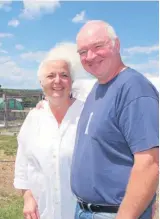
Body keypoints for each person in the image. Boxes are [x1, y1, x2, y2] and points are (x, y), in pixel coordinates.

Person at [71, 20, 159, 219]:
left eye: (98, 46)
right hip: (85, 211)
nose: (90, 56)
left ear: (116, 45)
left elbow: (149, 164)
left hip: (114, 213)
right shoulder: (97, 89)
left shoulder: (134, 88)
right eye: (83, 52)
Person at [14, 43, 96, 219]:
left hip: (81, 212)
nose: (57, 81)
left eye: (64, 75)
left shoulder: (87, 114)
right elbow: (22, 165)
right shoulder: (34, 118)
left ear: (72, 81)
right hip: (42, 212)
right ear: (41, 83)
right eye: (50, 75)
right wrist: (28, 197)